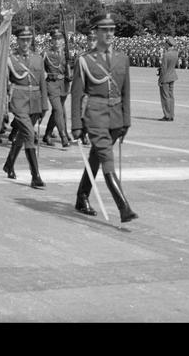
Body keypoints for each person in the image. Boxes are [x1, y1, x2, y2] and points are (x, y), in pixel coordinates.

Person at [70, 13, 138, 223]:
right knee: (106, 159)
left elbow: (126, 91)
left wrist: (126, 120)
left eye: (111, 30)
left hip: (116, 117)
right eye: (104, 30)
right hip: (96, 115)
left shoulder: (122, 58)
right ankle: (123, 207)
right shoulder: (84, 60)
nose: (109, 34)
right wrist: (76, 125)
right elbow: (77, 94)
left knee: (96, 157)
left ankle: (82, 196)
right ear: (96, 32)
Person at [2, 26, 48, 189]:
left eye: (28, 39)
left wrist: (44, 105)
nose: (25, 43)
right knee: (29, 133)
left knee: (22, 135)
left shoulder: (38, 59)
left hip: (35, 101)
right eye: (22, 39)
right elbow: (5, 82)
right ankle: (35, 175)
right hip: (19, 101)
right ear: (17, 40)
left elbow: (42, 82)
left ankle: (9, 163)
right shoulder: (11, 59)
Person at [42, 29, 71, 148]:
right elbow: (40, 69)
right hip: (51, 84)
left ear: (63, 41)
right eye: (55, 39)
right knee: (58, 110)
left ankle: (47, 135)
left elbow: (73, 68)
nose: (57, 41)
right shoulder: (46, 54)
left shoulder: (67, 54)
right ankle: (63, 136)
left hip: (64, 84)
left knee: (56, 112)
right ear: (51, 41)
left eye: (59, 39)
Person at [157, 37, 178, 121]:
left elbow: (164, 69)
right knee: (171, 97)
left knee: (165, 97)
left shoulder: (166, 54)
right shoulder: (175, 53)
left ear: (167, 44)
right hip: (172, 76)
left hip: (165, 77)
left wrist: (160, 80)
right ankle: (171, 115)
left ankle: (167, 116)